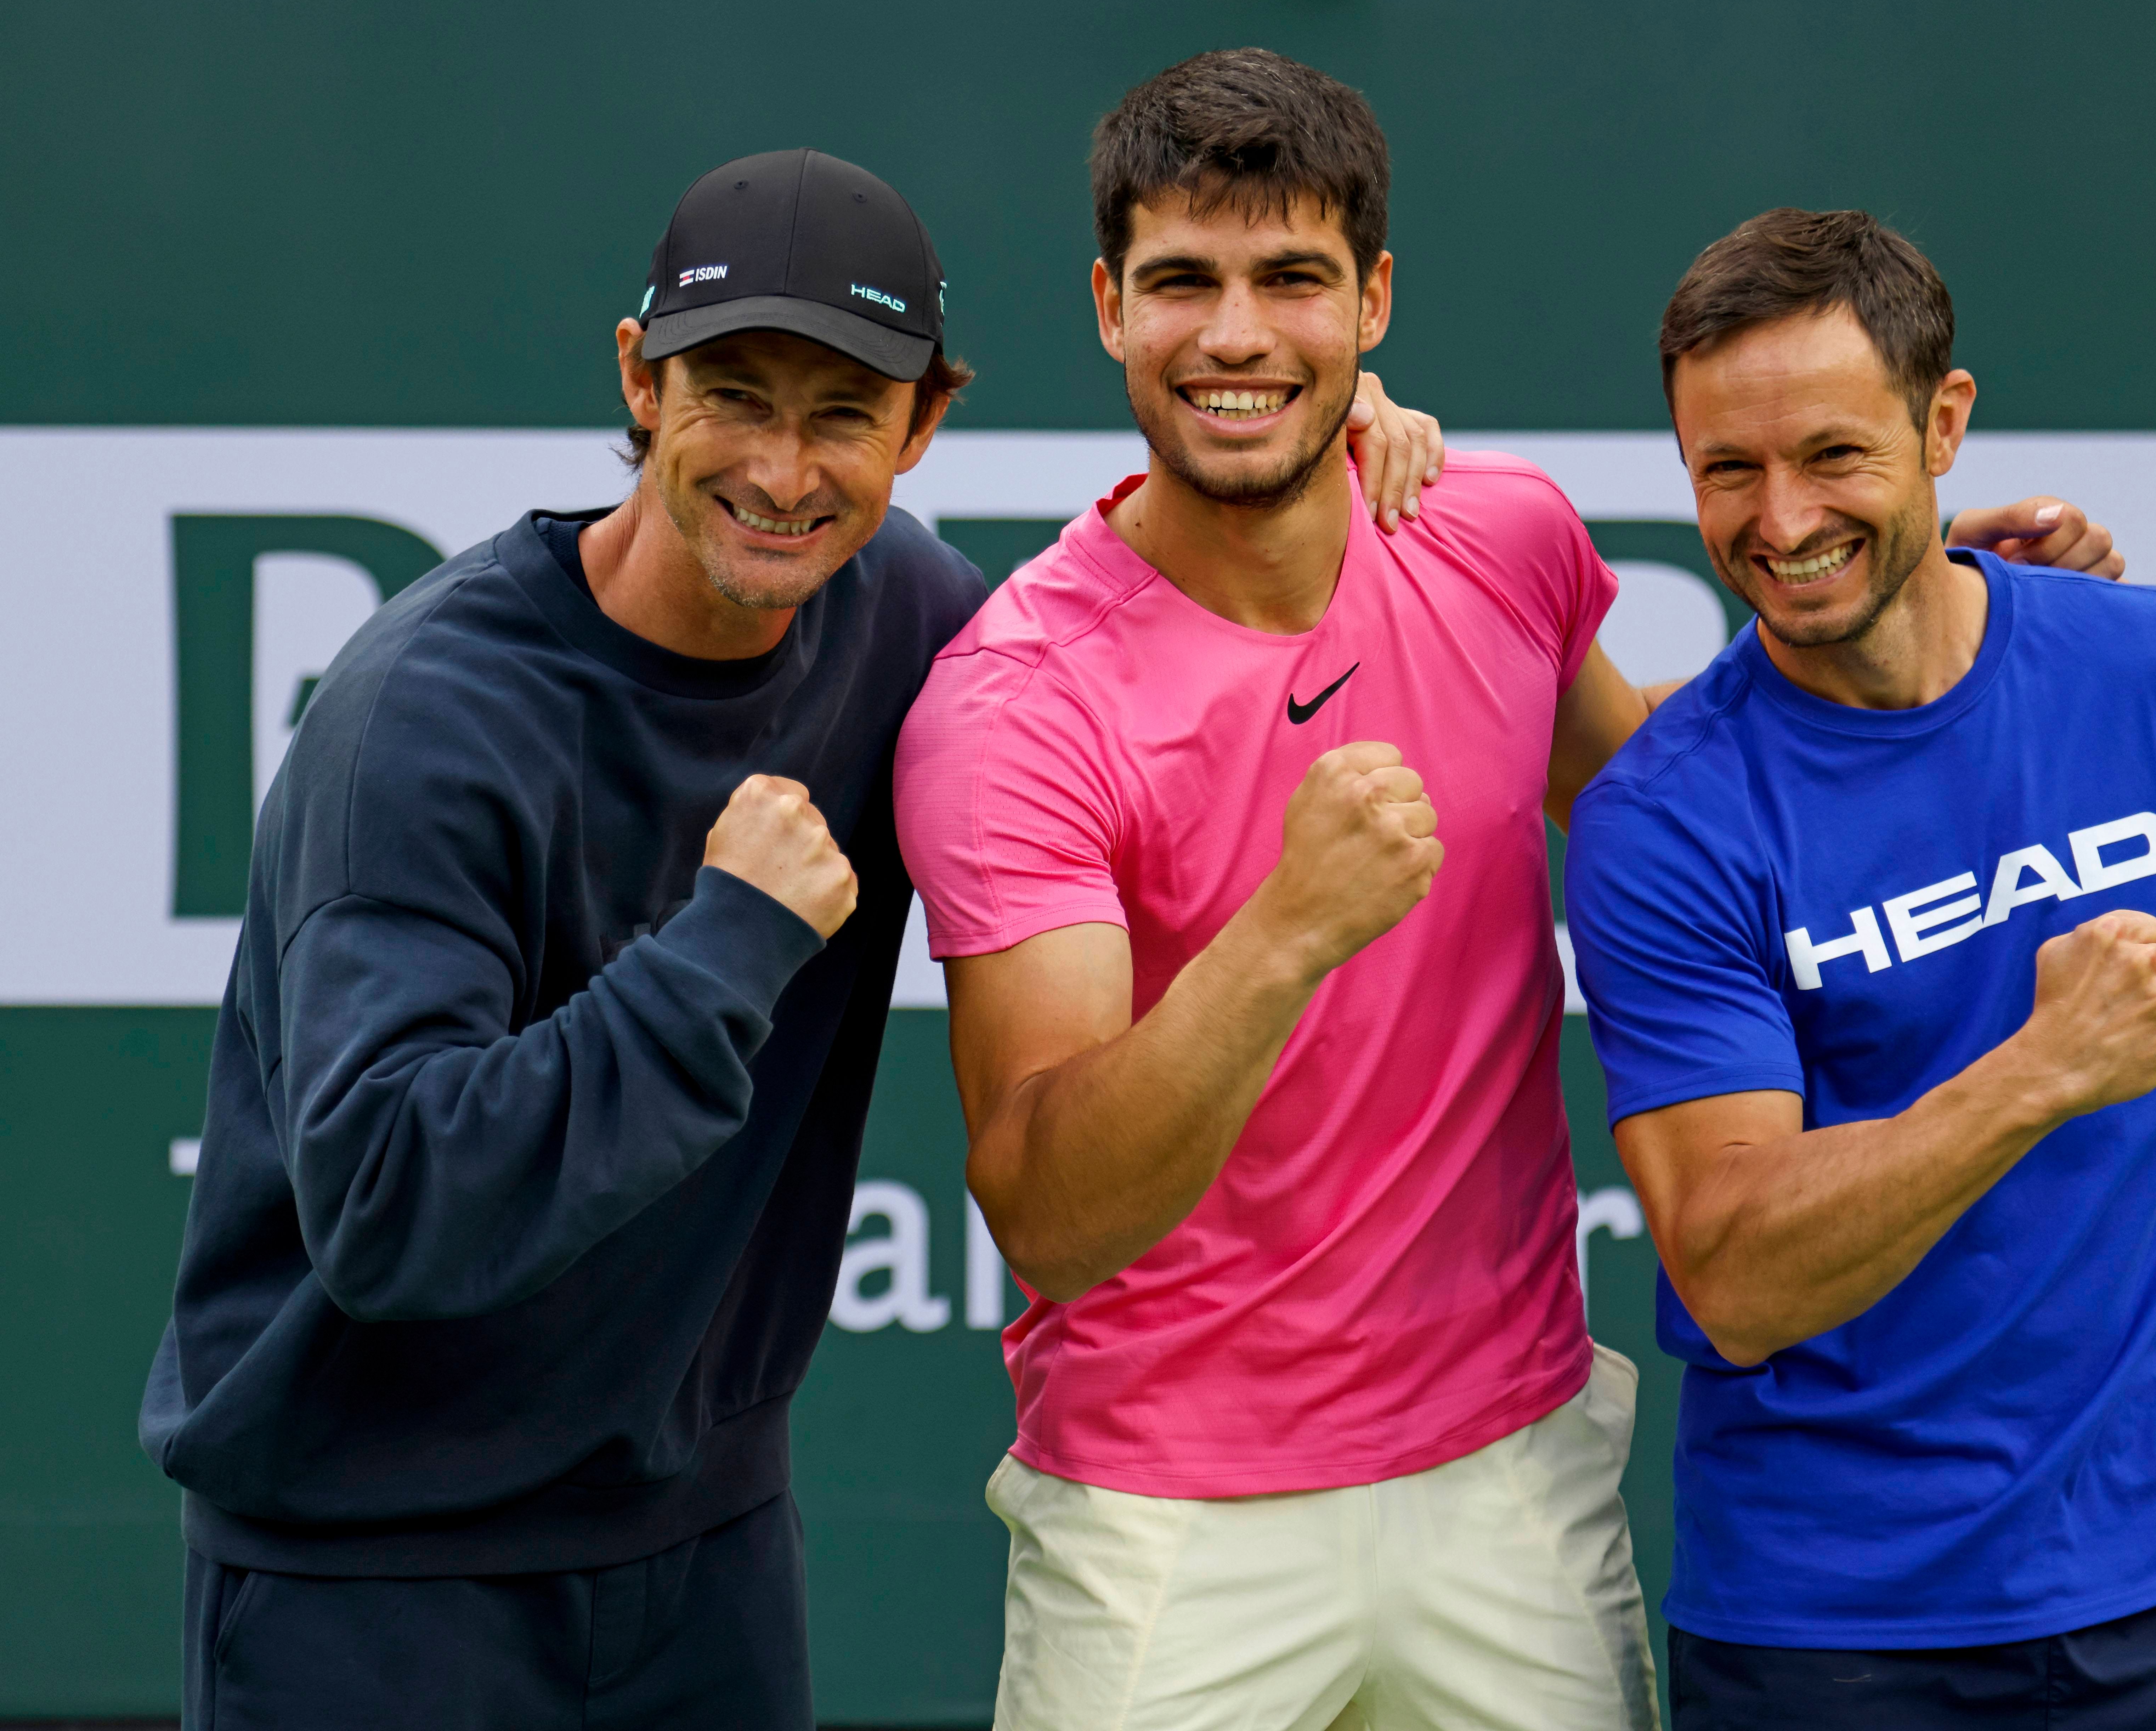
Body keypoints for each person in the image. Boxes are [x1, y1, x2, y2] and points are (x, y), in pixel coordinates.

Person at [135, 143, 1437, 1730]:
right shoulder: (422, 721)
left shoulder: (911, 617)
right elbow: (393, 1204)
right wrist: (720, 948)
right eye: (734, 397)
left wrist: (1326, 451)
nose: (782, 467)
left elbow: (1129, 623)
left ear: (924, 423)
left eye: (841, 414)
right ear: (639, 378)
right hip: (371, 1584)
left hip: (706, 1563)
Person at [895, 51, 2119, 1731]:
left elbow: (1697, 809)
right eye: (1184, 282)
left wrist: (1914, 595)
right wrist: (1281, 937)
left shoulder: (1500, 538)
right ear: (1110, 305)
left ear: (1375, 301)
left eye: (1293, 282)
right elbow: (1053, 1208)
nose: (1236, 337)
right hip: (1166, 1523)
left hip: (1511, 1482)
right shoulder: (1014, 700)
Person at [1565, 208, 2156, 1730]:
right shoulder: (1664, 819)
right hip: (1827, 1635)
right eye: (1729, 470)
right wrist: (2041, 1073)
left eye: (1834, 456)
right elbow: (1734, 1275)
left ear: (1946, 424)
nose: (1780, 521)